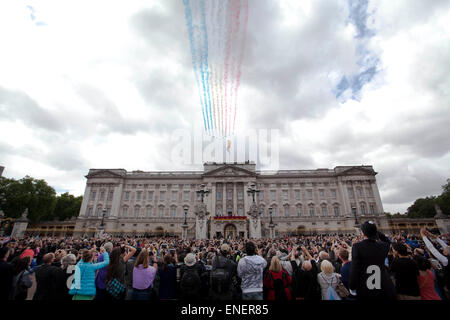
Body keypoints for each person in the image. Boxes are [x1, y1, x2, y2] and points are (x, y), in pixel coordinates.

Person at [349, 221, 396, 300]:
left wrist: (352, 286)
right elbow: (387, 241)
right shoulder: (383, 246)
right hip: (383, 284)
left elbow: (355, 269)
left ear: (363, 233)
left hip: (367, 285)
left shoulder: (357, 247)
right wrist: (373, 230)